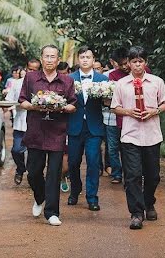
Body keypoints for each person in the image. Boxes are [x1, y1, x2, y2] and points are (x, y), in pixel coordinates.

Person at [111, 46, 165, 230]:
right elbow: (115, 107)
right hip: (130, 135)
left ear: (146, 62)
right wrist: (129, 111)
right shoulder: (121, 84)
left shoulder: (156, 82)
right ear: (128, 64)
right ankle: (136, 213)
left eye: (141, 61)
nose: (137, 65)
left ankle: (149, 202)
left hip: (152, 135)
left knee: (153, 176)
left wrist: (155, 111)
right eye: (134, 62)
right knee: (133, 176)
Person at [18, 44, 77, 226]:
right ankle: (40, 196)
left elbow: (73, 105)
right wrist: (35, 105)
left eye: (53, 57)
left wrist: (61, 106)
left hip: (57, 132)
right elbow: (22, 101)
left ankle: (52, 213)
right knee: (33, 173)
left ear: (58, 60)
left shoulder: (67, 82)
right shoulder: (31, 78)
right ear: (41, 58)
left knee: (54, 174)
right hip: (36, 130)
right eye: (47, 56)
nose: (50, 60)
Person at [66, 46, 108, 211]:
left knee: (93, 162)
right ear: (78, 60)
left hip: (94, 127)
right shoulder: (69, 79)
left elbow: (108, 101)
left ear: (93, 59)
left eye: (88, 57)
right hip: (75, 126)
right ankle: (75, 191)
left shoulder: (102, 79)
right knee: (73, 162)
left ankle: (92, 198)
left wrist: (107, 98)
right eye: (82, 57)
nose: (85, 60)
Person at [104, 48, 131, 183]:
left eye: (126, 63)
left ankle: (131, 173)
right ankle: (117, 173)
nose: (125, 67)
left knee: (128, 147)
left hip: (132, 118)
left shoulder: (140, 72)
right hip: (113, 118)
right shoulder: (112, 75)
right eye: (121, 64)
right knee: (113, 147)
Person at [5, 68, 28, 185]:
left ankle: (35, 175)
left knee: (36, 154)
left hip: (37, 125)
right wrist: (6, 106)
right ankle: (20, 168)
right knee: (16, 150)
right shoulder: (17, 83)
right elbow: (9, 100)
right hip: (20, 123)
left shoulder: (42, 84)